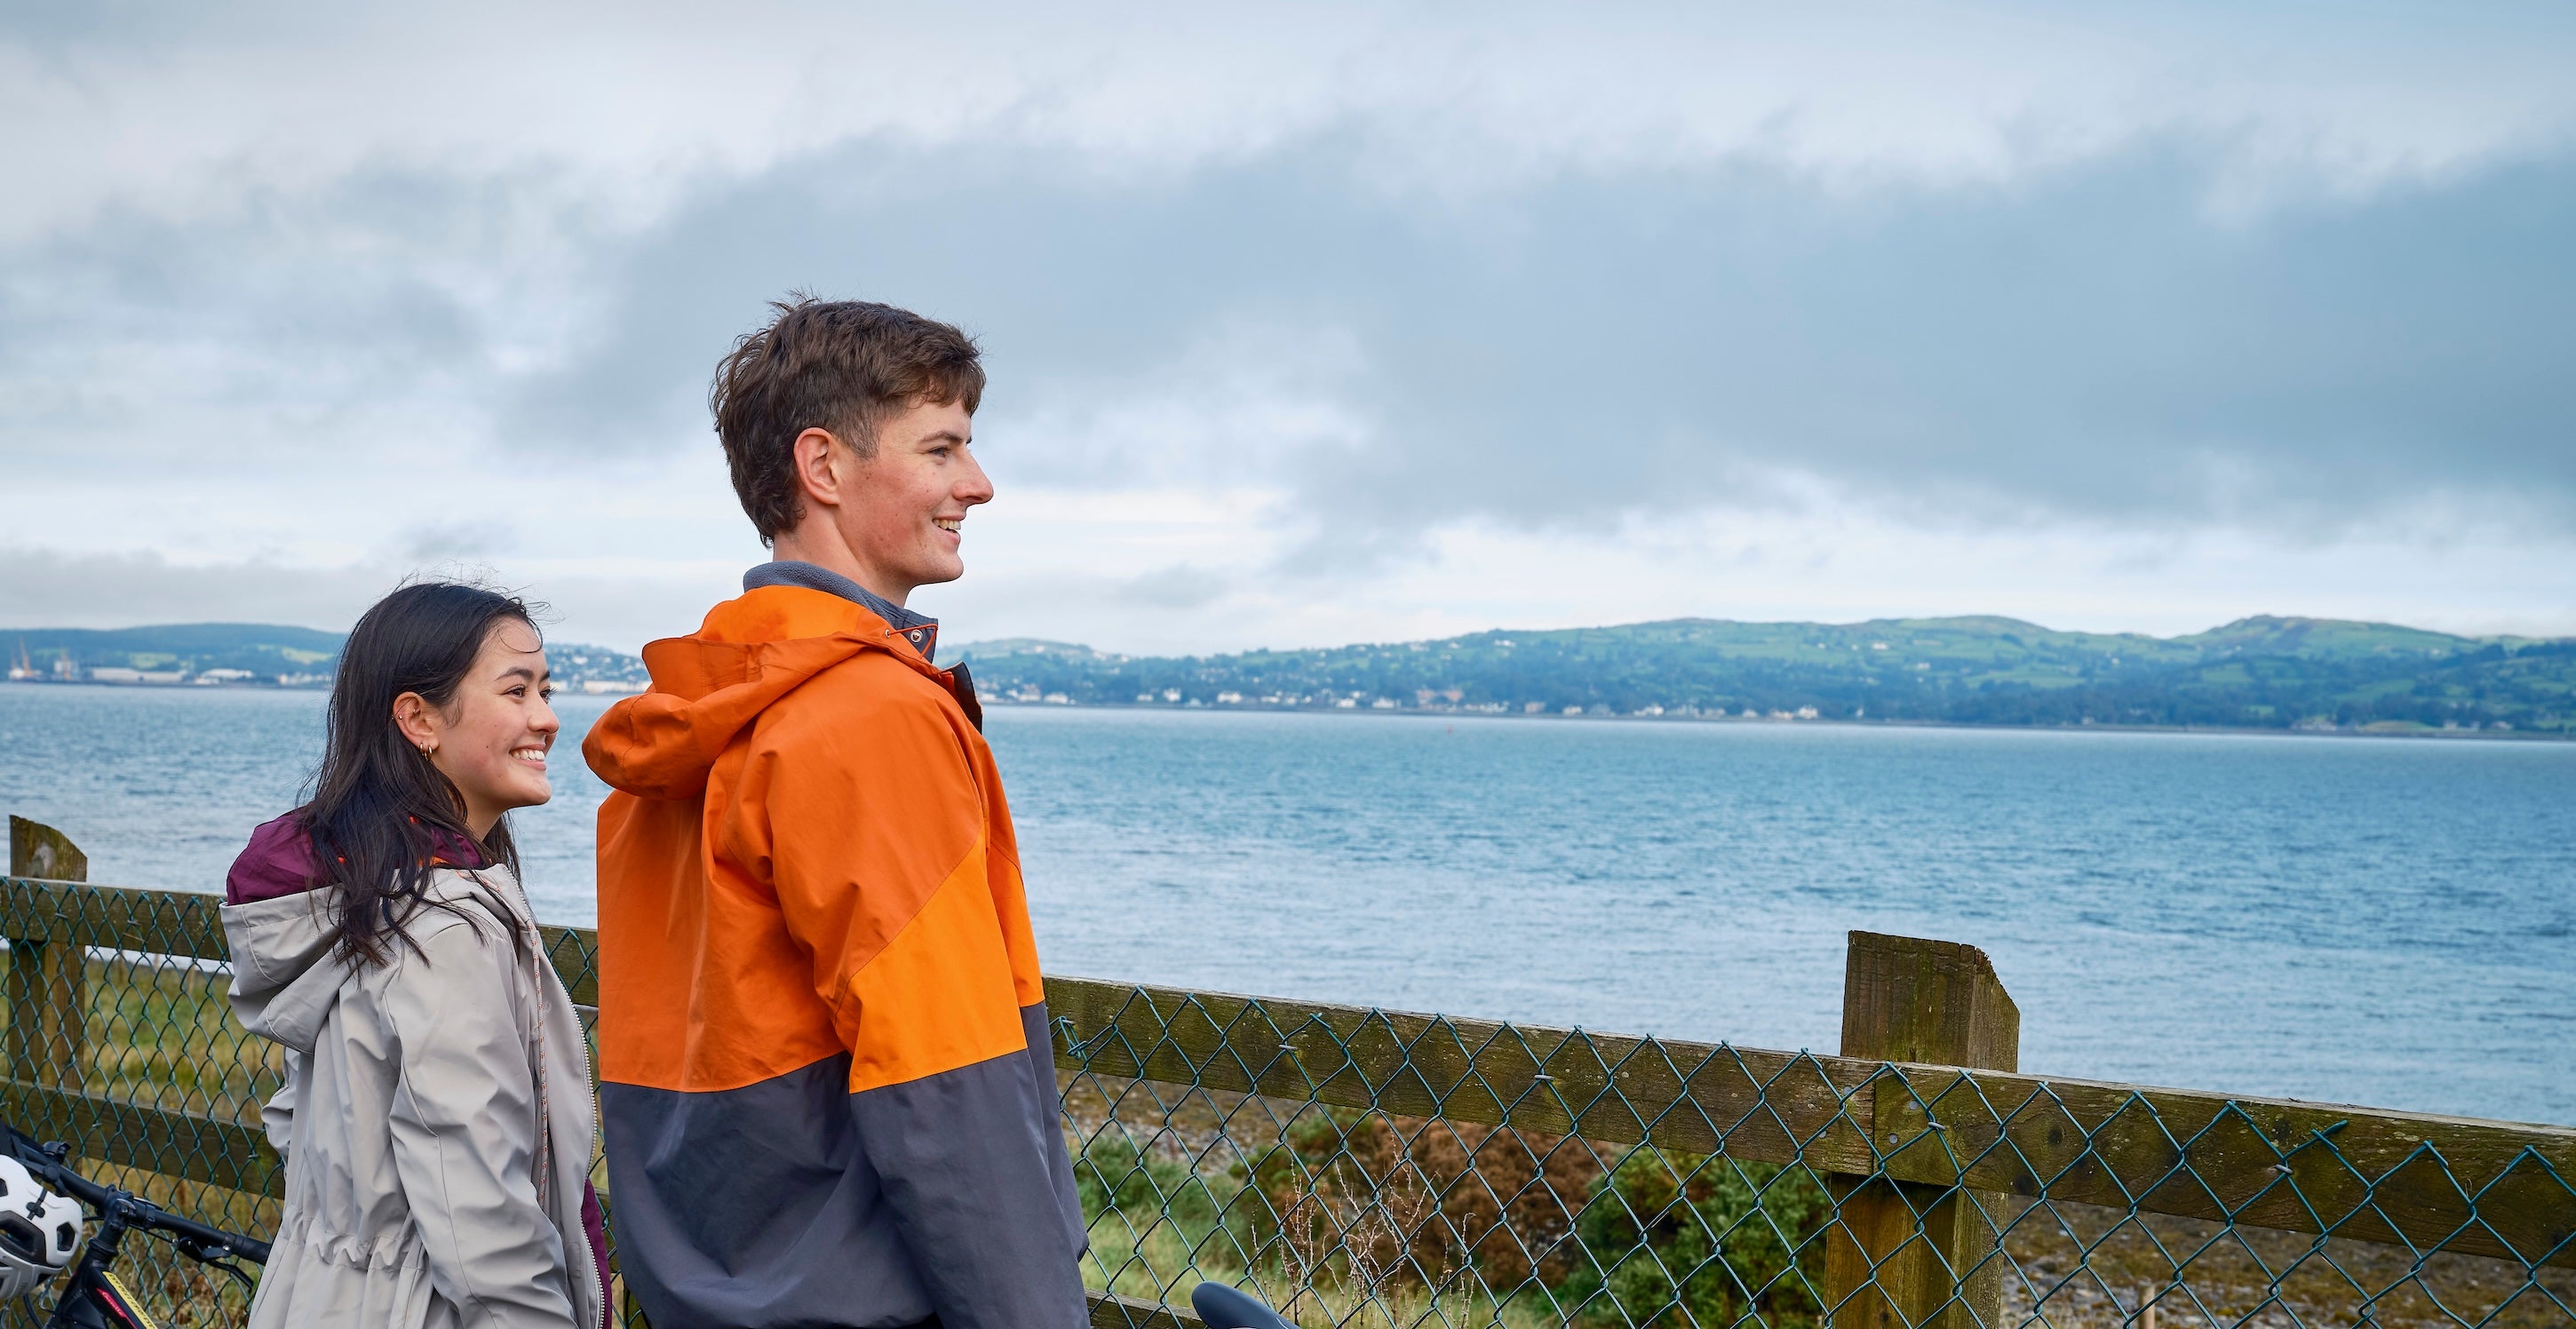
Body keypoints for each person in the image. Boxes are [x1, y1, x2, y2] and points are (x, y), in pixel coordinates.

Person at [584, 298, 1085, 1329]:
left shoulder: (697, 716)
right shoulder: (870, 716)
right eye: (941, 447)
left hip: (706, 1291)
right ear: (823, 467)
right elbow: (946, 1083)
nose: (977, 484)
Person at [223, 582, 607, 1329]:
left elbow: (305, 1117)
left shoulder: (364, 898)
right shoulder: (442, 928)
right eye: (517, 690)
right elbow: (483, 1215)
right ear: (419, 719)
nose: (548, 718)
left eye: (547, 689)